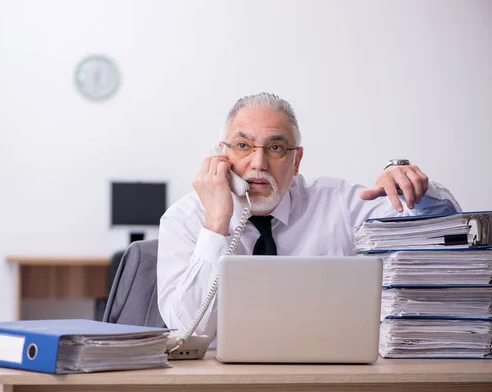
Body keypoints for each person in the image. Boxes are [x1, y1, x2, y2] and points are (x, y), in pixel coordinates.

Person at [156, 92, 461, 341]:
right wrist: (216, 224)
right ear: (221, 155)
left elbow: (446, 232)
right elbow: (188, 332)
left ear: (296, 159)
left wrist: (417, 188)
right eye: (243, 146)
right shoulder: (183, 220)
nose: (258, 162)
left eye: (275, 147)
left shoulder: (339, 203)